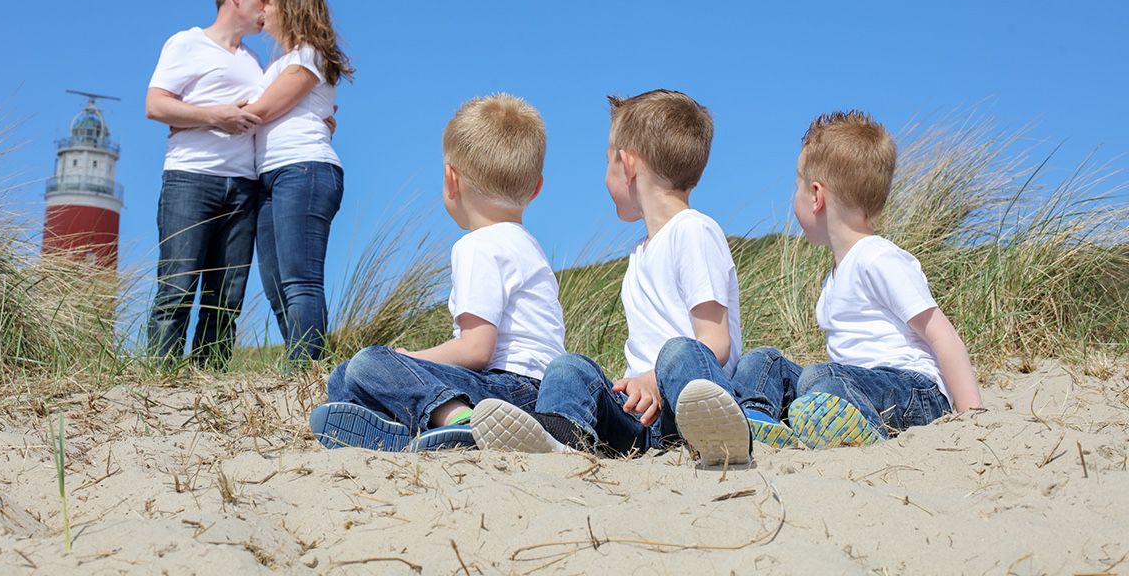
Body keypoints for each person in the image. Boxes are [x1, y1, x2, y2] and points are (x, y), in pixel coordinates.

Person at [471, 89, 751, 468]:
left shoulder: (694, 231)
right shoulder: (640, 252)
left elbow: (715, 343)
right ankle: (562, 439)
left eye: (607, 161)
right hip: (641, 419)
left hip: (690, 409)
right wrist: (635, 385)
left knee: (680, 353)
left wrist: (654, 379)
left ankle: (718, 438)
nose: (604, 176)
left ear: (627, 164)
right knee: (569, 367)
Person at [309, 93, 567, 451]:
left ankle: (459, 421)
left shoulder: (478, 245)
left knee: (368, 364)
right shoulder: (527, 245)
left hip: (504, 391)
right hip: (540, 395)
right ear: (536, 188)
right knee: (345, 377)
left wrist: (408, 358)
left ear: (451, 180)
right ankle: (407, 433)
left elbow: (476, 349)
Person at [730, 111, 983, 449]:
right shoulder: (834, 276)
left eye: (797, 187)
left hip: (914, 393)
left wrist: (973, 416)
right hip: (852, 386)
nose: (795, 198)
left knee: (820, 377)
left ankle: (858, 431)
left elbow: (942, 334)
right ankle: (757, 421)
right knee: (764, 362)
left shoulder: (877, 258)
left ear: (816, 196)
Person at [144, 0, 269, 368]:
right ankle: (160, 379)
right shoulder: (187, 42)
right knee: (178, 285)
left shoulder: (254, 60)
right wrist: (213, 117)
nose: (268, 7)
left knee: (227, 296)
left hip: (244, 185)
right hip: (190, 179)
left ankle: (207, 379)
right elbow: (155, 105)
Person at [237, 0, 352, 363]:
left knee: (299, 279)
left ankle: (305, 367)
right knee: (274, 283)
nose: (264, 7)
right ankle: (303, 362)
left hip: (303, 169)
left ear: (290, 8)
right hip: (272, 176)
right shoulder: (283, 61)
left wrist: (199, 116)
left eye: (271, 1)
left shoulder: (308, 55)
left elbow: (265, 109)